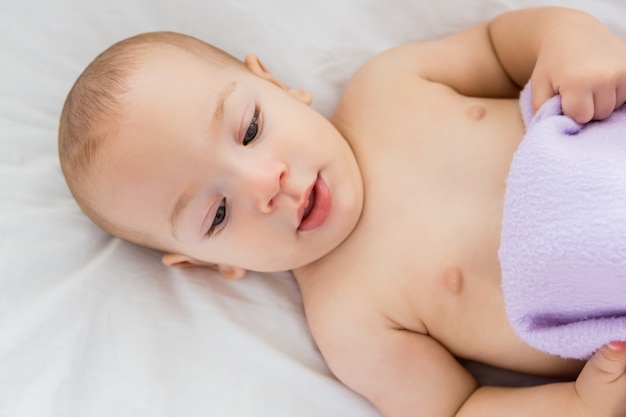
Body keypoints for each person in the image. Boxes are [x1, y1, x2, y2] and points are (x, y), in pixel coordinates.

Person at [58, 6, 626, 417]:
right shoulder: (350, 322)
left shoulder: (391, 85)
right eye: (218, 215)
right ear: (208, 263)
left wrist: (569, 39)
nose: (266, 184)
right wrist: (580, 404)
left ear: (275, 82)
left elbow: (501, 45)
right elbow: (456, 408)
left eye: (250, 129)